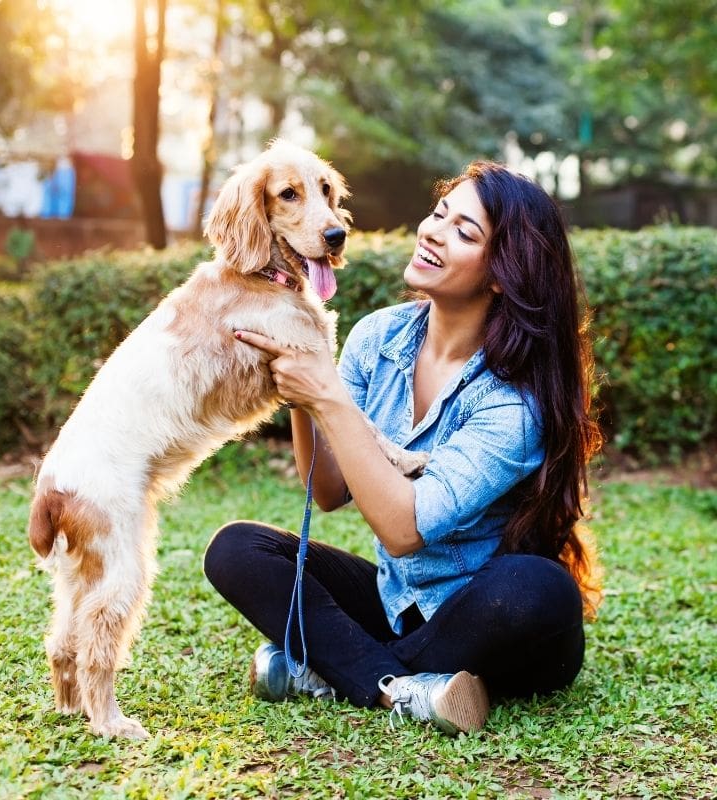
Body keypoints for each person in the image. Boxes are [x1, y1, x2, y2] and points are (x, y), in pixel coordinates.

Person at [203, 160, 603, 735]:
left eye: (465, 232)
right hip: (397, 605)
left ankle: (335, 673)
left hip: (487, 616)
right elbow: (328, 489)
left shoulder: (514, 402)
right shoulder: (377, 337)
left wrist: (329, 396)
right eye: (440, 214)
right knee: (237, 549)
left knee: (538, 587)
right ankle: (405, 687)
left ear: (502, 274)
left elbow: (403, 529)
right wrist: (298, 383)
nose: (434, 232)